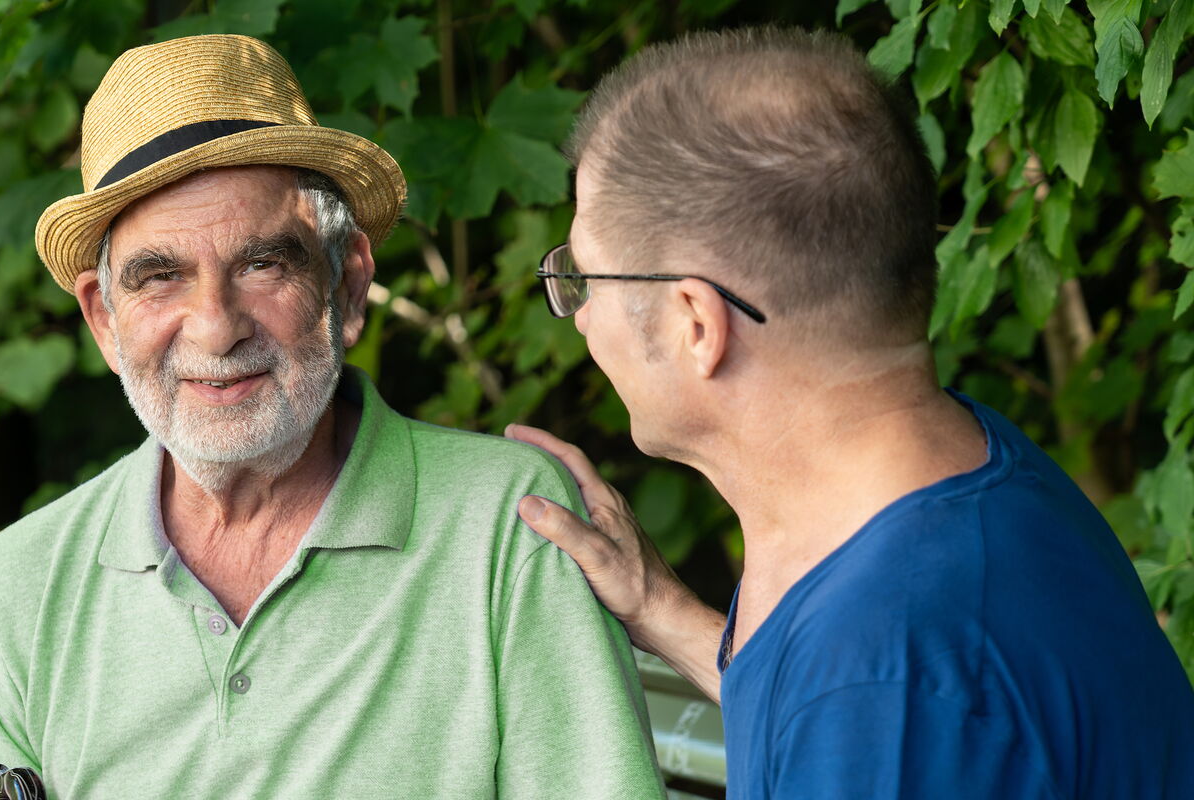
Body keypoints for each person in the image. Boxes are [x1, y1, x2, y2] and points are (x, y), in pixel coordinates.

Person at [0, 34, 664, 799]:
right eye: (160, 277)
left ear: (347, 290)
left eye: (261, 264)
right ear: (105, 320)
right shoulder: (20, 586)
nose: (216, 327)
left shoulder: (507, 526)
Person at [506, 27, 1194, 799]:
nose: (580, 315)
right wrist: (660, 609)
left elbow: (883, 701)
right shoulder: (957, 472)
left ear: (694, 324)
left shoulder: (891, 680)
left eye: (584, 275)